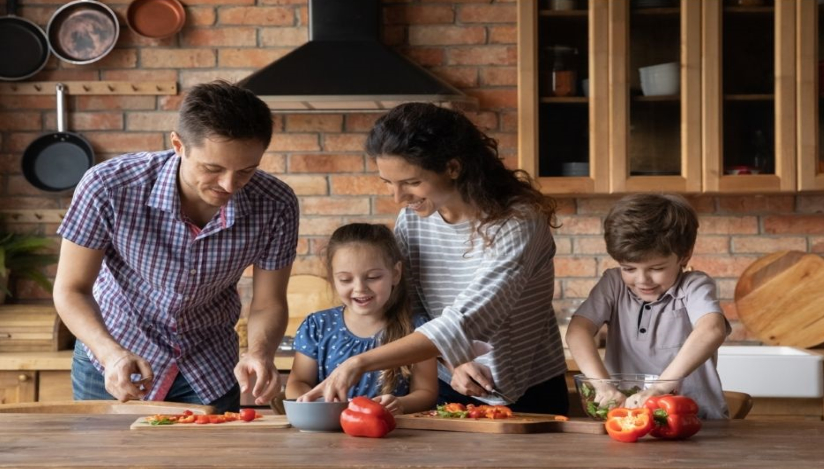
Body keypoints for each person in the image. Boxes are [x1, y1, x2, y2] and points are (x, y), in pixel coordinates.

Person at [302, 102, 569, 415]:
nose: (398, 198)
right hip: (449, 383)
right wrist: (453, 361)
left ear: (453, 168)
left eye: (412, 182)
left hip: (529, 388)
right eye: (388, 183)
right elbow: (411, 307)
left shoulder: (518, 221)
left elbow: (469, 319)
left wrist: (358, 363)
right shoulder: (414, 219)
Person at [52, 80, 299, 413]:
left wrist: (259, 353)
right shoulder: (109, 185)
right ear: (178, 144)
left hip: (209, 368)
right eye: (213, 168)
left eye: (246, 171)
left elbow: (269, 302)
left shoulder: (276, 204)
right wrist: (111, 354)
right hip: (115, 358)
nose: (229, 185)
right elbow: (71, 289)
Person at [565, 193, 730, 419]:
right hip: (628, 417)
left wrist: (659, 388)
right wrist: (603, 385)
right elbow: (577, 330)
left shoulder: (694, 286)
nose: (642, 280)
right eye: (629, 268)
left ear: (684, 255)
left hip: (697, 419)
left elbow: (711, 329)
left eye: (656, 268)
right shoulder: (613, 284)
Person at [286, 223, 438, 415]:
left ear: (396, 274)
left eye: (373, 277)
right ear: (333, 279)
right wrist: (320, 402)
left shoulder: (418, 329)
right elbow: (298, 382)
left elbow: (426, 392)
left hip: (393, 433)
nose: (359, 288)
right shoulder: (317, 325)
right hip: (329, 432)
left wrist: (400, 404)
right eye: (345, 280)